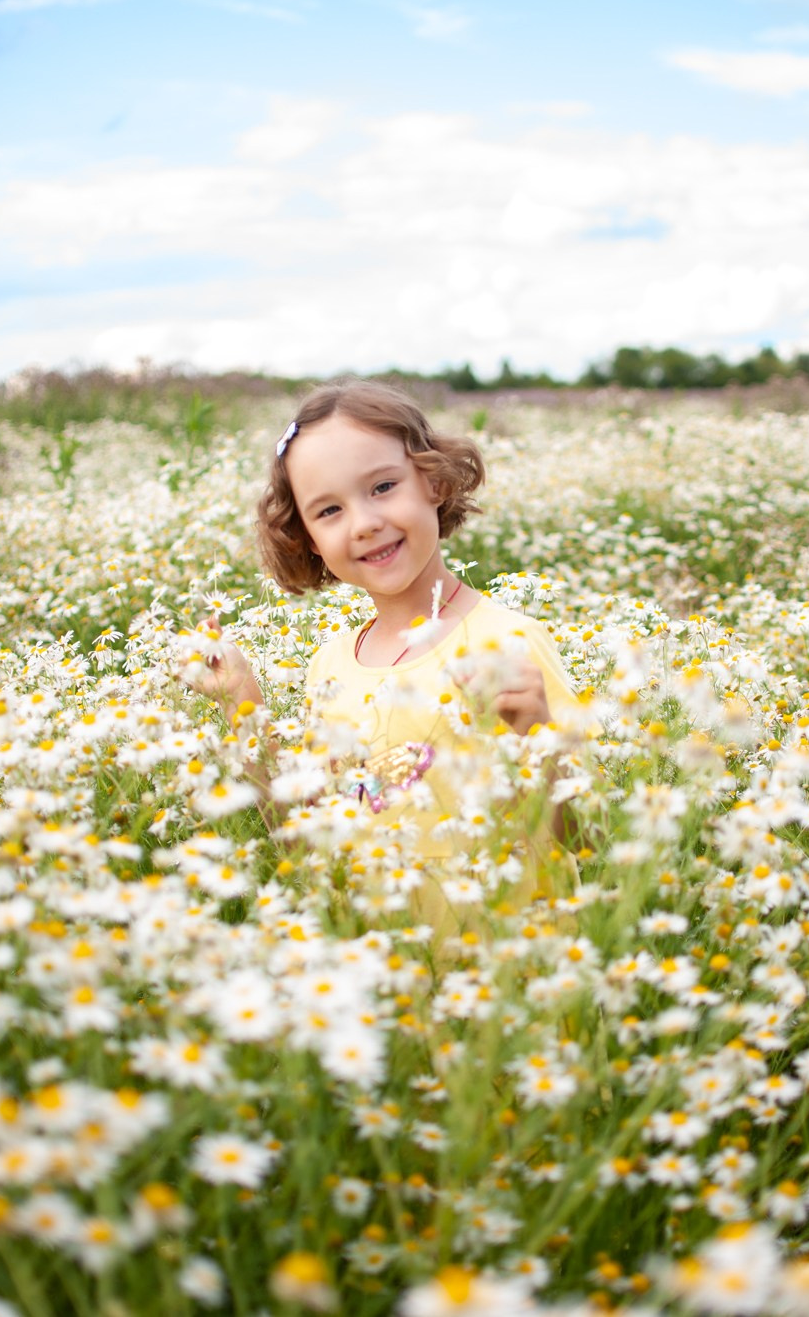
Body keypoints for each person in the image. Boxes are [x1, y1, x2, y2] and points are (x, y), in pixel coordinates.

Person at [184, 379, 579, 934]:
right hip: (391, 984)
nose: (364, 522)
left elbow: (586, 840)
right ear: (309, 539)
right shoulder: (329, 667)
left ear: (435, 481)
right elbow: (307, 835)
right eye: (328, 511)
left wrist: (539, 735)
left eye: (383, 486)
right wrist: (242, 704)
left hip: (516, 978)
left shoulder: (509, 641)